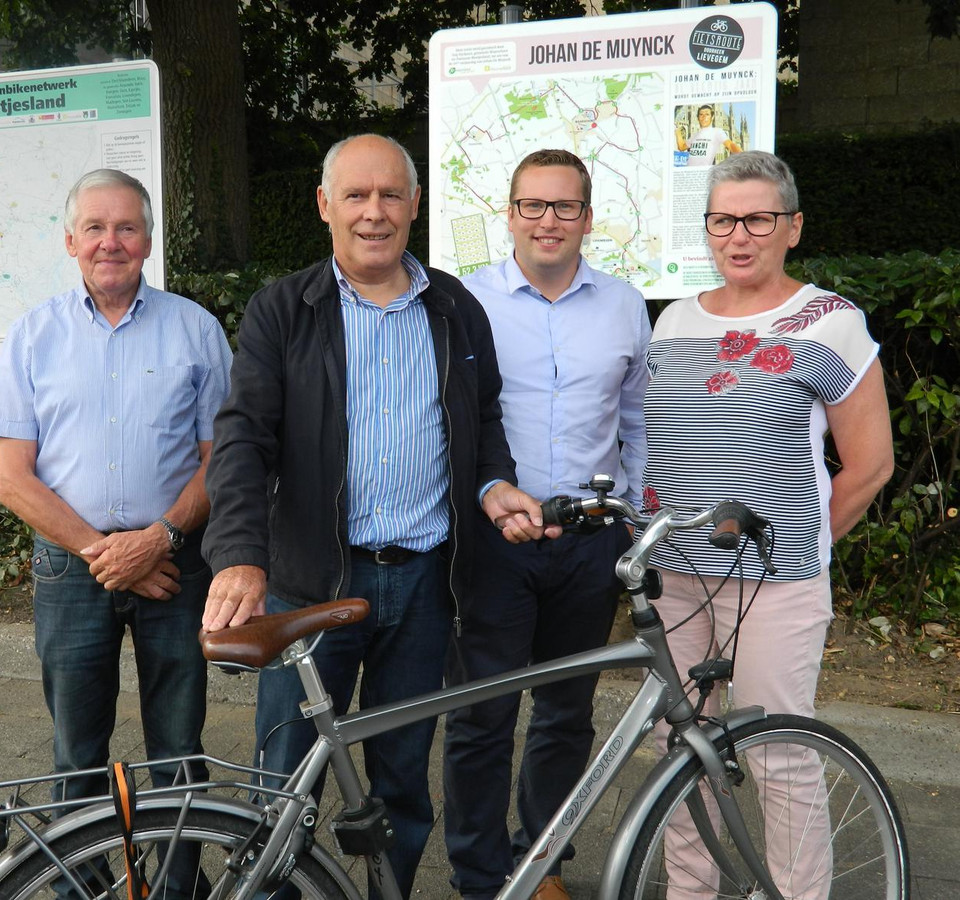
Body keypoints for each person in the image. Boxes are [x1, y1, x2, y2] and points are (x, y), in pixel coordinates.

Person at [200, 133, 549, 899]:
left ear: (415, 206)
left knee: (400, 787)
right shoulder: (282, 310)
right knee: (283, 786)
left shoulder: (455, 307)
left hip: (424, 586)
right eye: (355, 196)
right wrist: (238, 557)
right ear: (325, 206)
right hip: (309, 584)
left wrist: (495, 485)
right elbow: (242, 442)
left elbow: (483, 421)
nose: (374, 212)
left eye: (391, 195)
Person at [644, 150, 894, 899]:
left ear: (792, 227)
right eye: (724, 219)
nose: (739, 235)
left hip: (776, 585)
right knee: (678, 749)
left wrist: (800, 547)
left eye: (758, 218)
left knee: (780, 752)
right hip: (677, 579)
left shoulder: (830, 322)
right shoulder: (673, 321)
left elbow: (871, 464)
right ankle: (691, 892)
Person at [0, 168, 232, 897]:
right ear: (70, 241)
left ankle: (180, 887)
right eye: (95, 227)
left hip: (175, 567)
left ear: (149, 240)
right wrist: (110, 554)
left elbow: (224, 462)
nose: (110, 241)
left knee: (179, 750)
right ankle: (78, 888)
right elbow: (12, 479)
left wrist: (157, 540)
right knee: (75, 753)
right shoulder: (33, 335)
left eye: (126, 227)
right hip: (72, 570)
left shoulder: (196, 329)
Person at [442, 149, 651, 900]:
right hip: (496, 541)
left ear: (588, 218)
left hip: (590, 544)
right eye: (533, 205)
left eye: (565, 207)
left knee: (566, 715)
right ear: (510, 214)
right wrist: (487, 495)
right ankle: (477, 876)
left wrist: (632, 518)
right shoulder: (467, 301)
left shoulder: (625, 303)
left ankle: (541, 864)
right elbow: (451, 423)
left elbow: (637, 418)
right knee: (482, 715)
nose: (548, 221)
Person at [676, 104, 743, 167]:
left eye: (707, 114)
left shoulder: (717, 131)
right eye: (701, 114)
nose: (704, 117)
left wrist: (744, 156)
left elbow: (730, 145)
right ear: (698, 117)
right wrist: (677, 131)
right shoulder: (694, 135)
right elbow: (681, 147)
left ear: (712, 117)